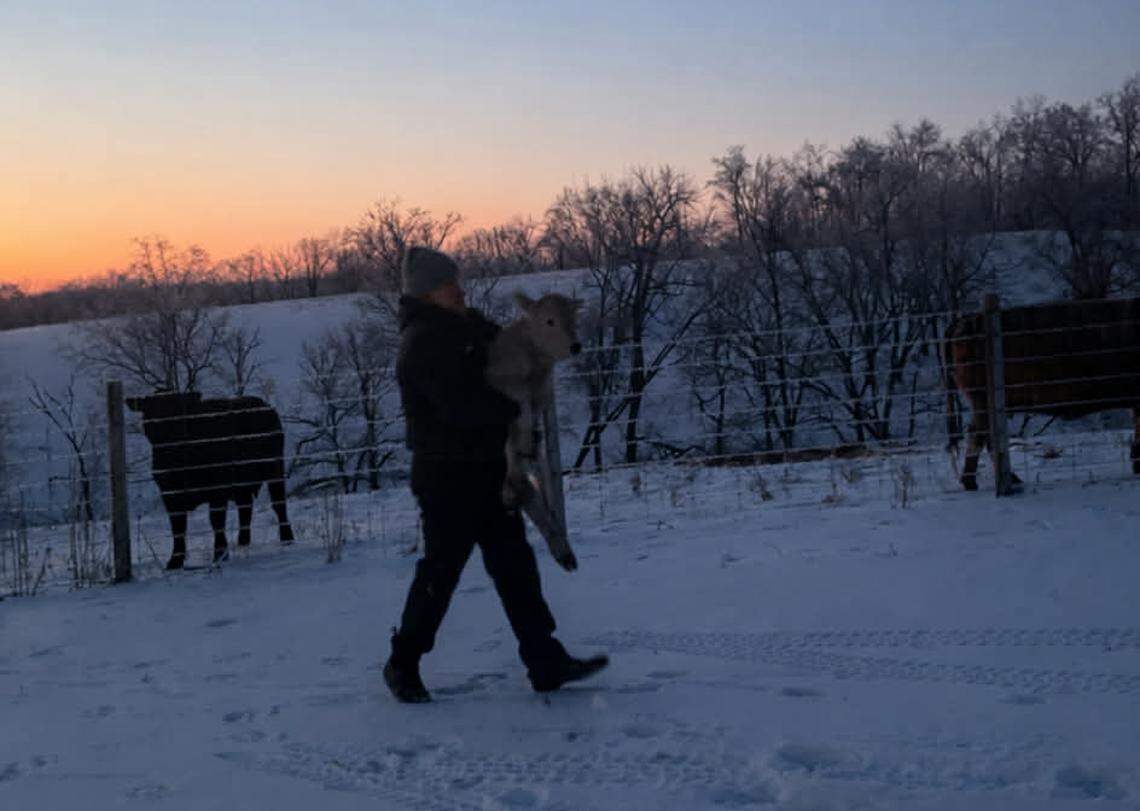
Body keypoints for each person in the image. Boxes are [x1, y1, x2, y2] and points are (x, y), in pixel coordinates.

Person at [383, 246, 608, 703]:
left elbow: (513, 345)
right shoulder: (422, 342)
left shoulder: (466, 325)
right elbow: (457, 405)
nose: (460, 289)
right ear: (428, 292)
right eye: (450, 284)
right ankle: (402, 663)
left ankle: (545, 660)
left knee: (515, 566)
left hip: (490, 469)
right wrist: (513, 408)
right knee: (441, 571)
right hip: (446, 474)